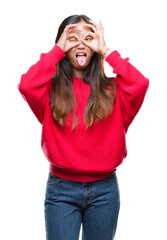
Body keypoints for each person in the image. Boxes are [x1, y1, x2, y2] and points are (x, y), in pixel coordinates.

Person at [17, 14, 149, 240]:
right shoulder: (49, 91)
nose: (80, 43)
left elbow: (140, 84)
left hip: (105, 190)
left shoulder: (113, 91)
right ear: (62, 44)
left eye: (88, 38)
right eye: (72, 37)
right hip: (61, 189)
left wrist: (106, 51)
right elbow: (26, 85)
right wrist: (57, 50)